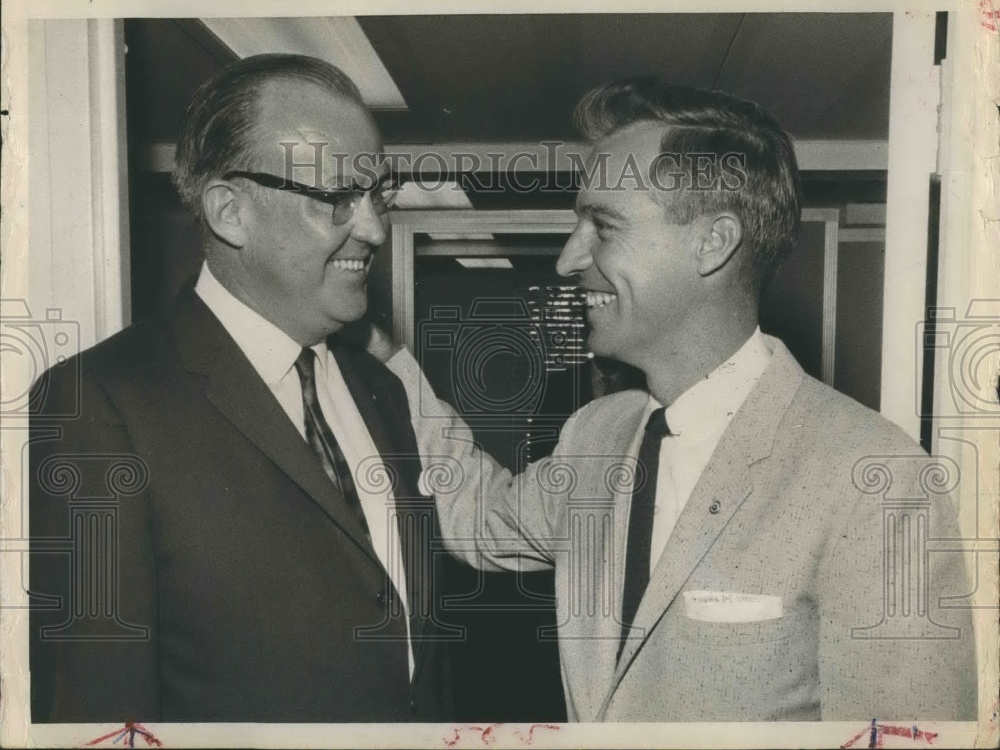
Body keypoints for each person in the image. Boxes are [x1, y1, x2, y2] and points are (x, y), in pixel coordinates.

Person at [384, 78, 977, 721]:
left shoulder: (877, 479)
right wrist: (385, 359)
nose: (566, 258)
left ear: (712, 243)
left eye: (602, 226)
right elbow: (475, 518)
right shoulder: (596, 435)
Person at [29, 54, 452, 722]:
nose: (373, 228)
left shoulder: (382, 391)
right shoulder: (100, 404)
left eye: (378, 195)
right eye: (339, 196)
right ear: (230, 211)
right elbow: (96, 708)